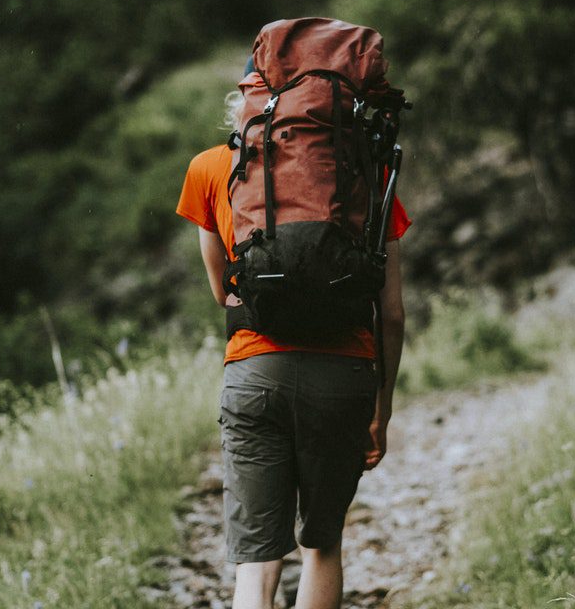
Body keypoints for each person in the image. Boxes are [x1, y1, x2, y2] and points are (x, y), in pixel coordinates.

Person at [175, 90, 410, 609]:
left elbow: (223, 294)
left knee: (257, 562)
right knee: (322, 546)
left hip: (255, 372)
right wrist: (382, 408)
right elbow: (390, 314)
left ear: (244, 102)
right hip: (344, 374)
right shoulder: (362, 173)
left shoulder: (213, 167)